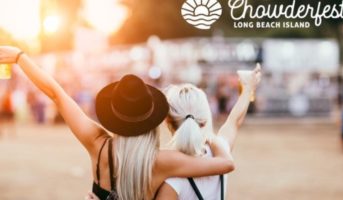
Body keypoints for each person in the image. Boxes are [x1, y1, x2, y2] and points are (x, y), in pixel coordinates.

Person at [0, 46, 234, 200]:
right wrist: (213, 138)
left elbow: (56, 94)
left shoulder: (97, 145)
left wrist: (21, 57)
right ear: (153, 118)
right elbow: (225, 164)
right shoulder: (164, 161)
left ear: (113, 114)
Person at [154, 66, 261, 200]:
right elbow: (234, 121)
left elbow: (234, 121)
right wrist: (247, 88)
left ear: (167, 122)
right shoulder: (219, 153)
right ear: (204, 119)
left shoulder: (171, 180)